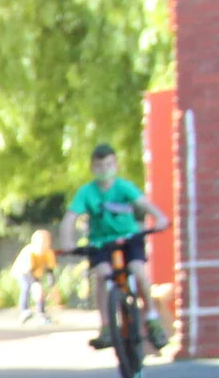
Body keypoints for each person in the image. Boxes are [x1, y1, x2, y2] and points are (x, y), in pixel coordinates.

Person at [65, 142, 171, 351]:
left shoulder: (124, 187)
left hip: (129, 238)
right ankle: (106, 327)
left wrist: (160, 218)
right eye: (99, 166)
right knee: (102, 275)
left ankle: (152, 319)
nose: (104, 170)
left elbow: (144, 204)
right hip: (101, 242)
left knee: (138, 271)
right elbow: (69, 218)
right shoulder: (87, 192)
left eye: (108, 164)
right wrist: (67, 242)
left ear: (115, 165)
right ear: (92, 168)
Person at [17, 229, 58, 324]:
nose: (44, 244)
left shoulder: (48, 253)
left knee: (40, 291)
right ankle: (24, 310)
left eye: (46, 241)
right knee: (26, 287)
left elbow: (50, 271)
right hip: (23, 272)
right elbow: (28, 270)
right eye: (41, 242)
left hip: (36, 273)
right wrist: (35, 285)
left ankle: (41, 312)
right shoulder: (29, 252)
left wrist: (52, 286)